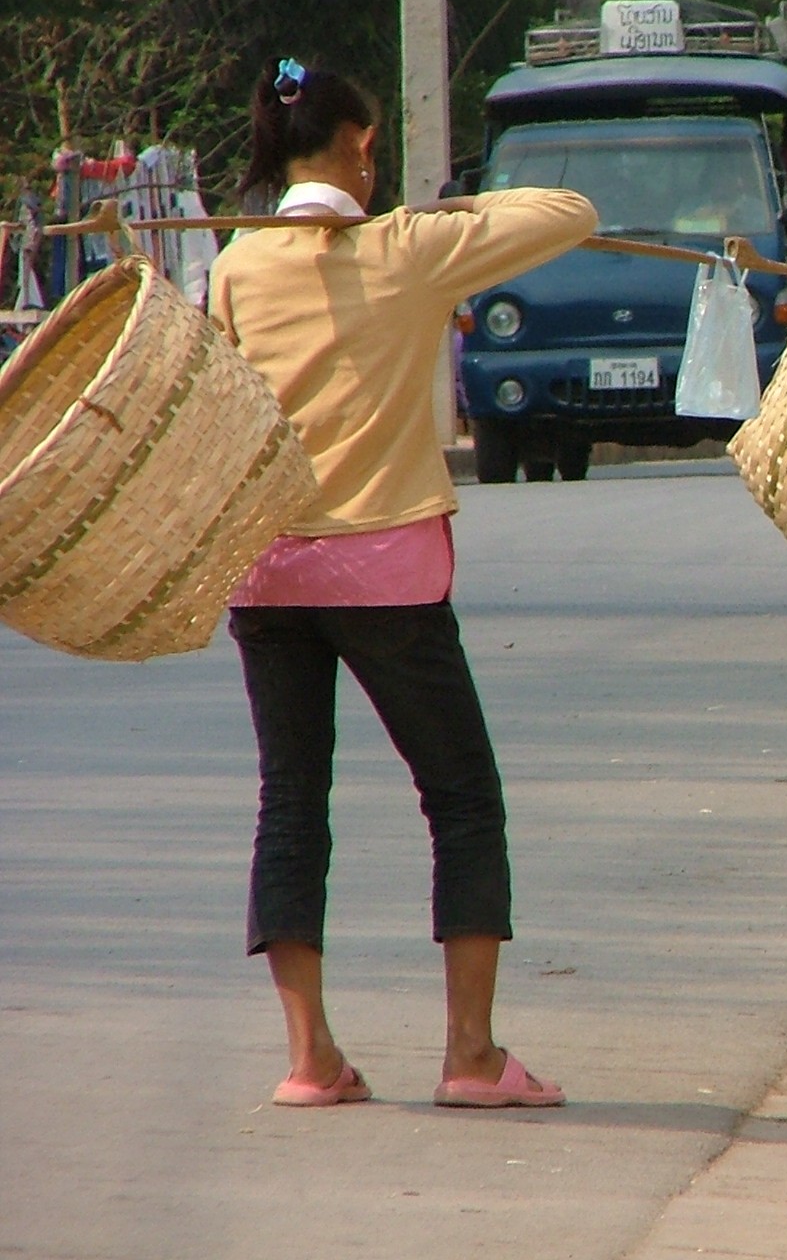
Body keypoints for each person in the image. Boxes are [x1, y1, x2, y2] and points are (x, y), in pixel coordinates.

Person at [210, 57, 599, 1107]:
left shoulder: (237, 264)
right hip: (385, 571)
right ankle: (471, 1058)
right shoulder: (413, 247)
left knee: (291, 804)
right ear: (362, 146)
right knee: (462, 800)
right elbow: (569, 209)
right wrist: (453, 209)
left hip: (267, 569)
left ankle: (310, 1060)